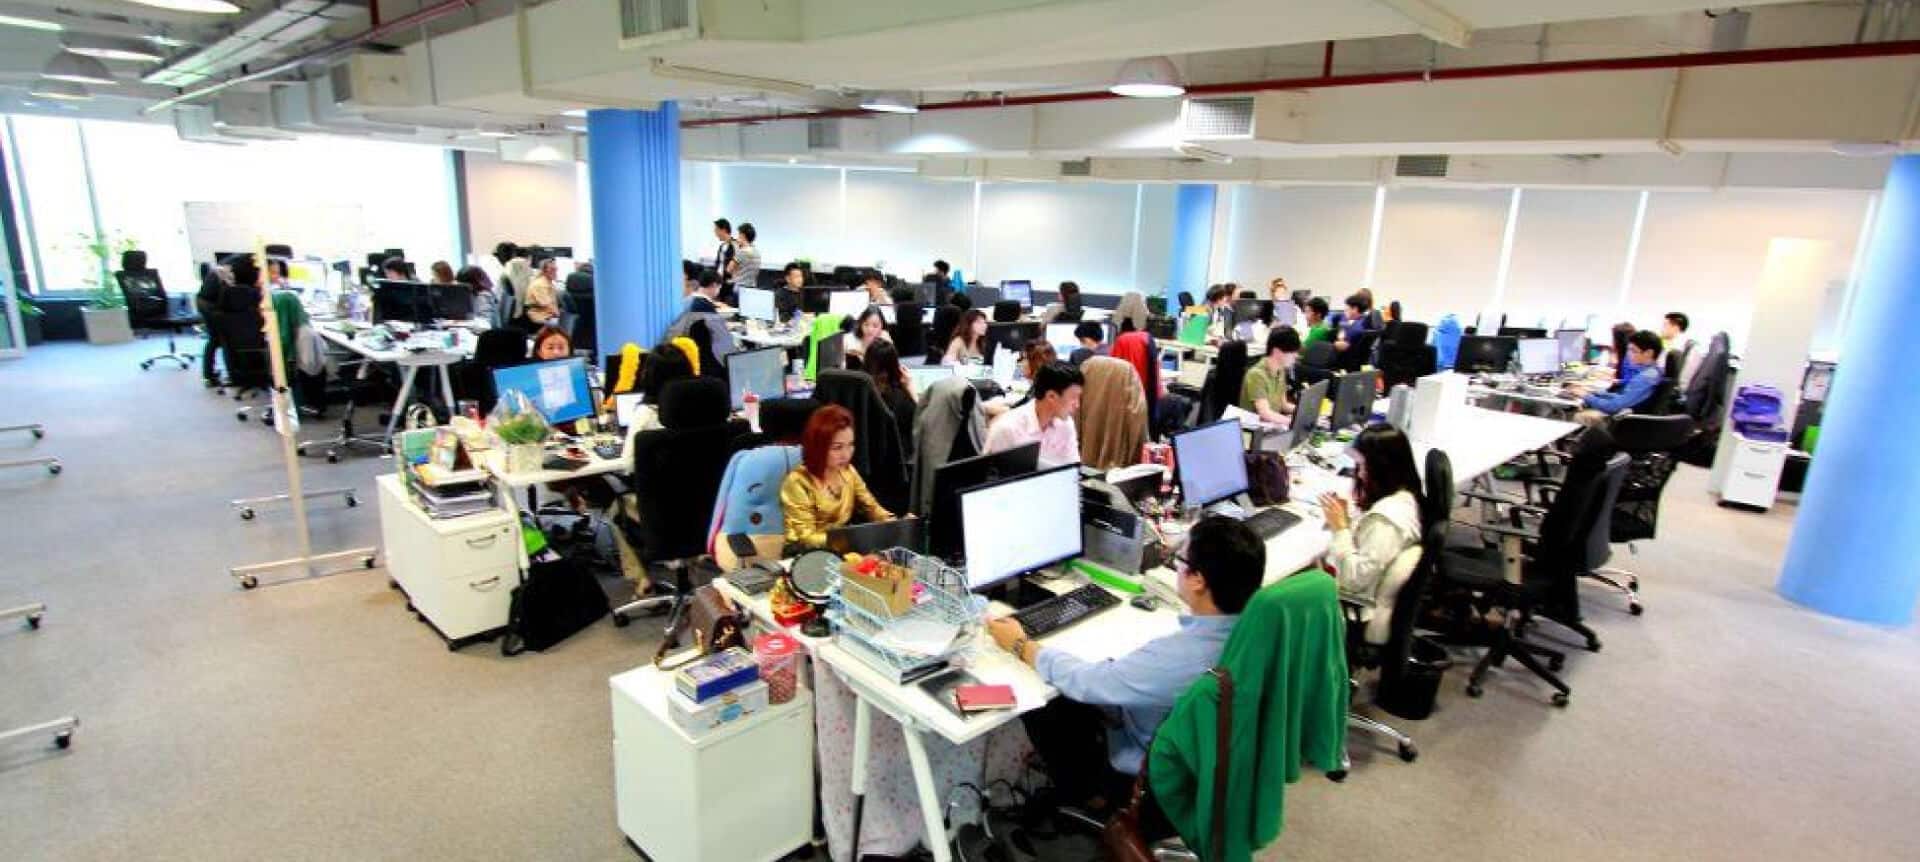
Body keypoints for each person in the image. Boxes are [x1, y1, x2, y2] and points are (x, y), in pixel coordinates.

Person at [988, 515, 1259, 813]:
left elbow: (1088, 683)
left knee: (1043, 697)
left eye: (1179, 559)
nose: (1175, 566)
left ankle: (1092, 795)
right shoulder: (1259, 636)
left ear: (1198, 580)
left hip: (1151, 782)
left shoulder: (1177, 657)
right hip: (1211, 764)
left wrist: (1021, 645)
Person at [1318, 425, 1424, 605]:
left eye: (1363, 466)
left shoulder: (1385, 522)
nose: (1359, 474)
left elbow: (1353, 580)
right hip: (1360, 586)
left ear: (1383, 468)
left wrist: (1341, 529)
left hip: (1353, 603)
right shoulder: (1405, 496)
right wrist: (1347, 521)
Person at [779, 404, 896, 550]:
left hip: (839, 548)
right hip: (804, 553)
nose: (846, 454)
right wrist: (851, 539)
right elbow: (806, 538)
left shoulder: (848, 472)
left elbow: (872, 507)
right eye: (837, 447)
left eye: (850, 445)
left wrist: (896, 524)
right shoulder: (797, 482)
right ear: (818, 447)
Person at [984, 361, 1082, 467]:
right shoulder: (1007, 428)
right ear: (1051, 396)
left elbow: (1073, 468)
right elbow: (989, 473)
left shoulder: (1066, 424)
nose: (1077, 405)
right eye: (1073, 398)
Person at [1573, 329, 1665, 427]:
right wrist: (1596, 393)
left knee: (1576, 415)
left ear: (1649, 353)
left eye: (1633, 350)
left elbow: (1613, 407)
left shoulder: (1645, 378)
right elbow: (1624, 398)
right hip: (1628, 416)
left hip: (1622, 423)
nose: (1629, 354)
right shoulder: (1653, 371)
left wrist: (1586, 396)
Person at [863, 340, 917, 460]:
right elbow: (922, 426)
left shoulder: (857, 392)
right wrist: (912, 391)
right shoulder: (902, 401)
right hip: (896, 463)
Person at [1240, 326, 1301, 424]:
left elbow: (1283, 405)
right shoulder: (1256, 375)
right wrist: (1294, 423)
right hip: (1256, 428)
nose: (1296, 356)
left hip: (1272, 424)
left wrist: (1304, 413)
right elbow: (1265, 414)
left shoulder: (1280, 370)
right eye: (1292, 352)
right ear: (1277, 351)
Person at [1662, 311, 1701, 390]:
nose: (1661, 329)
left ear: (1675, 327)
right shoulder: (1683, 344)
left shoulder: (1676, 348)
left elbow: (1660, 369)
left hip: (1671, 390)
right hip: (1674, 388)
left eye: (1665, 325)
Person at [727, 223, 758, 304]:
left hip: (740, 289)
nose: (737, 238)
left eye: (739, 235)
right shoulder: (756, 252)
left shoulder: (742, 252)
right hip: (752, 288)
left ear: (743, 235)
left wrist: (737, 250)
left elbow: (729, 269)